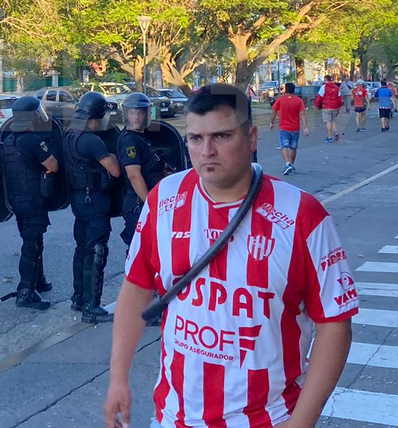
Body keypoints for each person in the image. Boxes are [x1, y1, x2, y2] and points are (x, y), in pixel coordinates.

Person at [104, 83, 357, 428]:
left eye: (222, 136)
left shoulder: (302, 215)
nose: (206, 151)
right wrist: (118, 377)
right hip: (174, 416)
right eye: (195, 139)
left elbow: (334, 324)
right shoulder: (163, 200)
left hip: (269, 418)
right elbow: (136, 287)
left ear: (251, 137)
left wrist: (302, 422)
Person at [64, 91, 122, 324]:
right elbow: (115, 170)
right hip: (95, 200)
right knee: (96, 250)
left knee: (82, 249)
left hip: (79, 200)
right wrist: (111, 155)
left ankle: (78, 297)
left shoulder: (69, 135)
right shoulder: (91, 140)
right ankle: (91, 306)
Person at [0, 96, 57, 311]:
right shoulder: (32, 141)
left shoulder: (9, 141)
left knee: (32, 241)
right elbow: (53, 165)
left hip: (17, 199)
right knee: (31, 246)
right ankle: (25, 292)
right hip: (33, 199)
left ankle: (37, 280)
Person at [116, 93, 168, 248]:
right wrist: (149, 204)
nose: (136, 117)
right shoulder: (129, 140)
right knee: (140, 251)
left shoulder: (140, 137)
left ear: (146, 113)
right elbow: (134, 175)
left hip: (146, 201)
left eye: (140, 112)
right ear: (126, 114)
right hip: (139, 204)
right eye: (132, 113)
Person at [269, 82, 309, 175]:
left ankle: (287, 164)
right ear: (294, 90)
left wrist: (271, 122)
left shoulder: (280, 99)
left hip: (284, 127)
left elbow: (274, 111)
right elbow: (302, 114)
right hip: (295, 127)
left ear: (286, 89)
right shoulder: (299, 101)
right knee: (293, 147)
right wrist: (306, 127)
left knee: (284, 145)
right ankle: (291, 164)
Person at [314, 75, 343, 143]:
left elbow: (319, 97)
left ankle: (329, 137)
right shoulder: (336, 88)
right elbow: (339, 98)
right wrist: (339, 106)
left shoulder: (324, 87)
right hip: (335, 106)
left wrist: (316, 105)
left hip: (326, 106)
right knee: (333, 121)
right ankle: (336, 132)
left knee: (328, 121)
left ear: (325, 79)